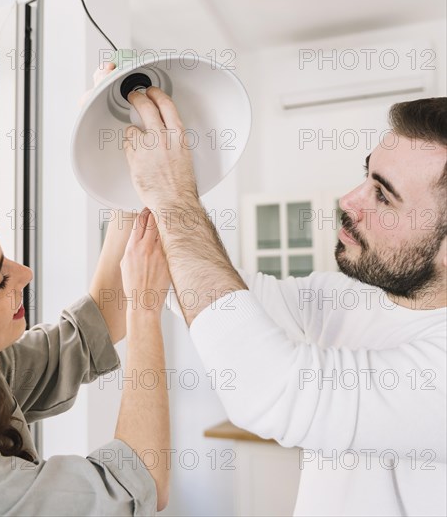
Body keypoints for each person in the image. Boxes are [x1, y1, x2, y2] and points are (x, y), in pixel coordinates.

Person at [122, 91, 447, 517]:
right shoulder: (347, 297)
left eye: (382, 196)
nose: (349, 201)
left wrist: (175, 198)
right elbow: (212, 291)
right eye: (366, 177)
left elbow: (266, 390)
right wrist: (126, 143)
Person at [0, 69, 171, 515]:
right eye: (0, 279)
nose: (25, 274)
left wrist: (127, 179)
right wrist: (146, 310)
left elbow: (93, 327)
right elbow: (134, 487)